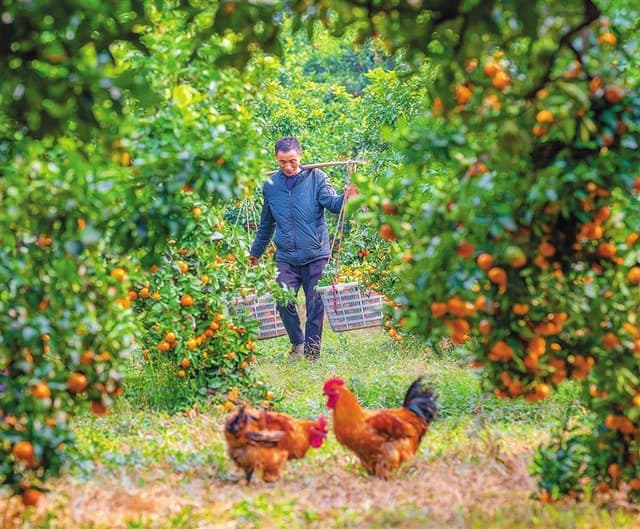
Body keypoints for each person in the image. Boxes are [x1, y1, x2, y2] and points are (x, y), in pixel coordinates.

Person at [249, 137, 358, 360]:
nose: (288, 167)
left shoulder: (317, 177)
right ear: (276, 160)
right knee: (283, 299)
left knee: (315, 305)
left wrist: (348, 197)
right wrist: (255, 253)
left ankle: (311, 353)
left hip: (316, 253)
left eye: (292, 161)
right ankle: (298, 344)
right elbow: (266, 224)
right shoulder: (271, 186)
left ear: (301, 156)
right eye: (282, 162)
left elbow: (334, 205)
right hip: (287, 255)